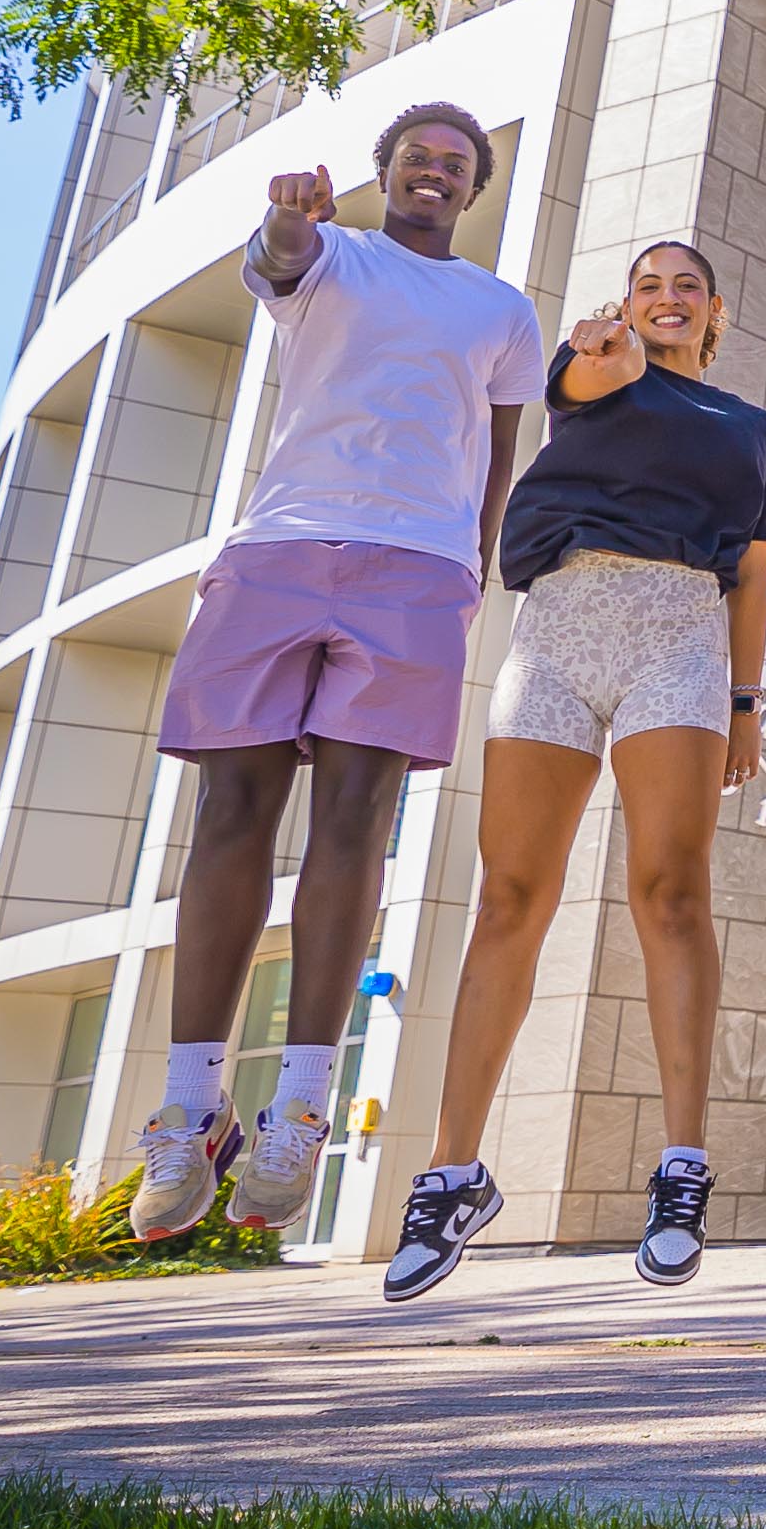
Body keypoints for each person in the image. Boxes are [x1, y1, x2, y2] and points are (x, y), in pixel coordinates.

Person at [134, 103, 542, 1239]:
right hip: (278, 547)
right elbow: (275, 258)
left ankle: (303, 1103)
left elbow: (498, 455)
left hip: (416, 570)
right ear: (385, 172)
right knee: (232, 811)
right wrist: (283, 219)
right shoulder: (327, 253)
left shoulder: (501, 310)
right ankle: (188, 1101)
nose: (434, 170)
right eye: (417, 155)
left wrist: (474, 571)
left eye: (455, 164)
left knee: (357, 820)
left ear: (473, 188)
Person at [386, 241, 766, 1300]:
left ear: (714, 309)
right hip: (558, 626)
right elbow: (579, 378)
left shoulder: (751, 429)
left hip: (678, 635)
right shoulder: (598, 375)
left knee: (669, 890)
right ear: (625, 306)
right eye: (647, 282)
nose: (666, 296)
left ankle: (682, 1164)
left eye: (686, 284)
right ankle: (452, 1172)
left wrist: (747, 702)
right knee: (508, 896)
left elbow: (749, 574)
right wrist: (593, 352)